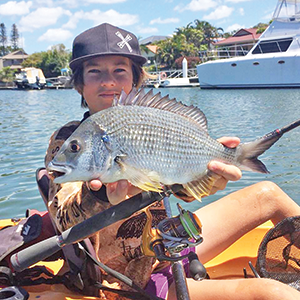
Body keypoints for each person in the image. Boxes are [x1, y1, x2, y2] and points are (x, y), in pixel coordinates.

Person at [44, 23, 300, 300]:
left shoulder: (145, 122)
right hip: (130, 277)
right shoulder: (69, 141)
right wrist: (98, 195)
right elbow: (62, 217)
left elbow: (174, 186)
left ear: (135, 80)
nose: (108, 81)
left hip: (168, 243)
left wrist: (201, 182)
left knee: (268, 194)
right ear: (79, 84)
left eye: (119, 70)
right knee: (273, 293)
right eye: (95, 72)